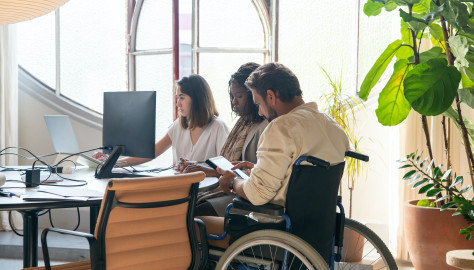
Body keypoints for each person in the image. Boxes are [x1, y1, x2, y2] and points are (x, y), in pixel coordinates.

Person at [213, 62, 350, 209]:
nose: (259, 112)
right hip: (317, 223)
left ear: (270, 96)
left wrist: (233, 181)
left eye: (258, 104)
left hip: (275, 224)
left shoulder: (281, 127)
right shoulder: (332, 126)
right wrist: (260, 170)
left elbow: (257, 194)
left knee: (196, 223)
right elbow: (305, 181)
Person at [177, 63, 269, 216]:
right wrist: (202, 167)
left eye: (239, 96)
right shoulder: (244, 124)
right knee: (185, 205)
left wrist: (209, 171)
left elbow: (248, 175)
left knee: (194, 212)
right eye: (232, 97)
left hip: (244, 196)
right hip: (235, 190)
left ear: (254, 94)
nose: (234, 102)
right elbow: (230, 166)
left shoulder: (264, 127)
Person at [93, 74, 230, 166]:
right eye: (177, 98)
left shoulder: (218, 127)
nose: (178, 104)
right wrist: (113, 162)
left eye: (182, 97)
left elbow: (226, 167)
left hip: (205, 194)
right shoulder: (179, 126)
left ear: (198, 98)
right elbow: (151, 153)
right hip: (181, 190)